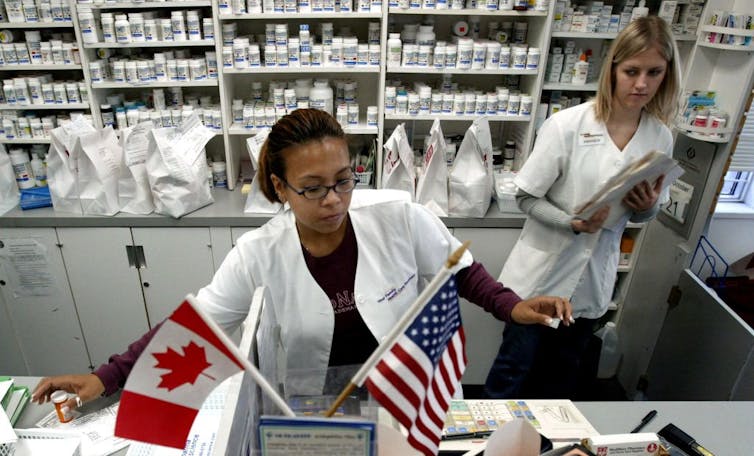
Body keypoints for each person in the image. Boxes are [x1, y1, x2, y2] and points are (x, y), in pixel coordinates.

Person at [33, 108, 572, 410]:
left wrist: (512, 307)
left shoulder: (400, 217)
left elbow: (461, 273)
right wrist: (106, 375)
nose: (334, 200)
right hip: (315, 404)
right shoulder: (259, 253)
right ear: (280, 187)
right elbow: (193, 326)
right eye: (312, 188)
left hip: (404, 393)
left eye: (343, 181)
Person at [484, 16, 681, 399]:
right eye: (631, 71)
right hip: (542, 276)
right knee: (513, 373)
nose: (641, 84)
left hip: (591, 282)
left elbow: (645, 214)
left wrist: (647, 207)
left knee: (560, 381)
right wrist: (572, 222)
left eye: (654, 72)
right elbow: (525, 197)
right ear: (613, 69)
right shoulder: (568, 126)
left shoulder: (660, 137)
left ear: (666, 75)